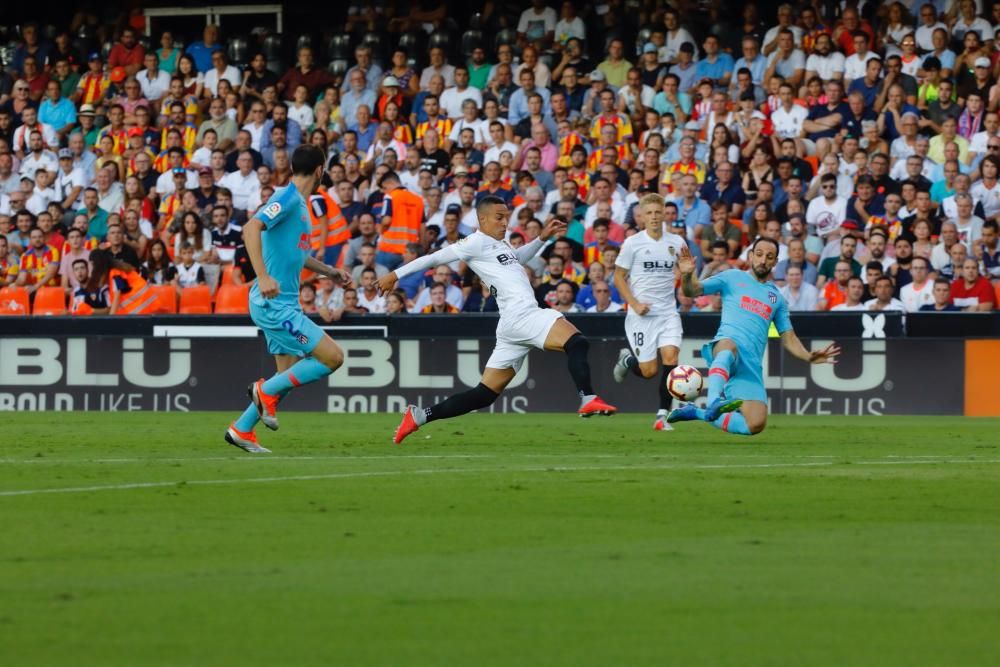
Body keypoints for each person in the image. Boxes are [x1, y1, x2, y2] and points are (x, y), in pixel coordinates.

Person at [377, 197, 617, 443]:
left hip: (511, 323)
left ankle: (420, 416)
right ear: (482, 220)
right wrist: (394, 275)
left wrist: (541, 238)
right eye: (499, 217)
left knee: (484, 394)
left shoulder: (498, 244)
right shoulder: (473, 243)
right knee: (576, 342)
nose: (505, 222)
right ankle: (587, 398)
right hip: (523, 314)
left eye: (506, 217)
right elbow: (433, 259)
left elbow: (516, 260)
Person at [225, 145, 353, 454]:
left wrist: (329, 271)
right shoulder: (287, 197)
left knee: (286, 377)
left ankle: (241, 429)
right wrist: (263, 276)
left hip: (284, 303)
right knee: (332, 358)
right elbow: (250, 227)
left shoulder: (300, 205)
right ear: (320, 171)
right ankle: (262, 391)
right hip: (272, 302)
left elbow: (297, 254)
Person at [669, 238, 840, 435]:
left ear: (775, 261)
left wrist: (808, 356)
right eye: (759, 255)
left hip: (750, 365)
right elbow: (692, 290)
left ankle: (699, 413)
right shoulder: (731, 277)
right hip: (725, 348)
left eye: (769, 257)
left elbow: (788, 337)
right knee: (728, 346)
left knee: (755, 424)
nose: (763, 260)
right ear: (750, 256)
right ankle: (714, 400)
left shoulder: (777, 299)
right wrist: (688, 274)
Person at [611, 195, 687, 431]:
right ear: (642, 216)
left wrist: (688, 273)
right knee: (648, 371)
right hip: (641, 316)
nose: (654, 217)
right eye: (650, 213)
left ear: (664, 214)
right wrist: (634, 304)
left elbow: (688, 276)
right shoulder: (633, 243)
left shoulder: (677, 242)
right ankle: (628, 360)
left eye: (658, 212)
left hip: (668, 313)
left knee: (671, 359)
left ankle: (662, 417)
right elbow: (618, 277)